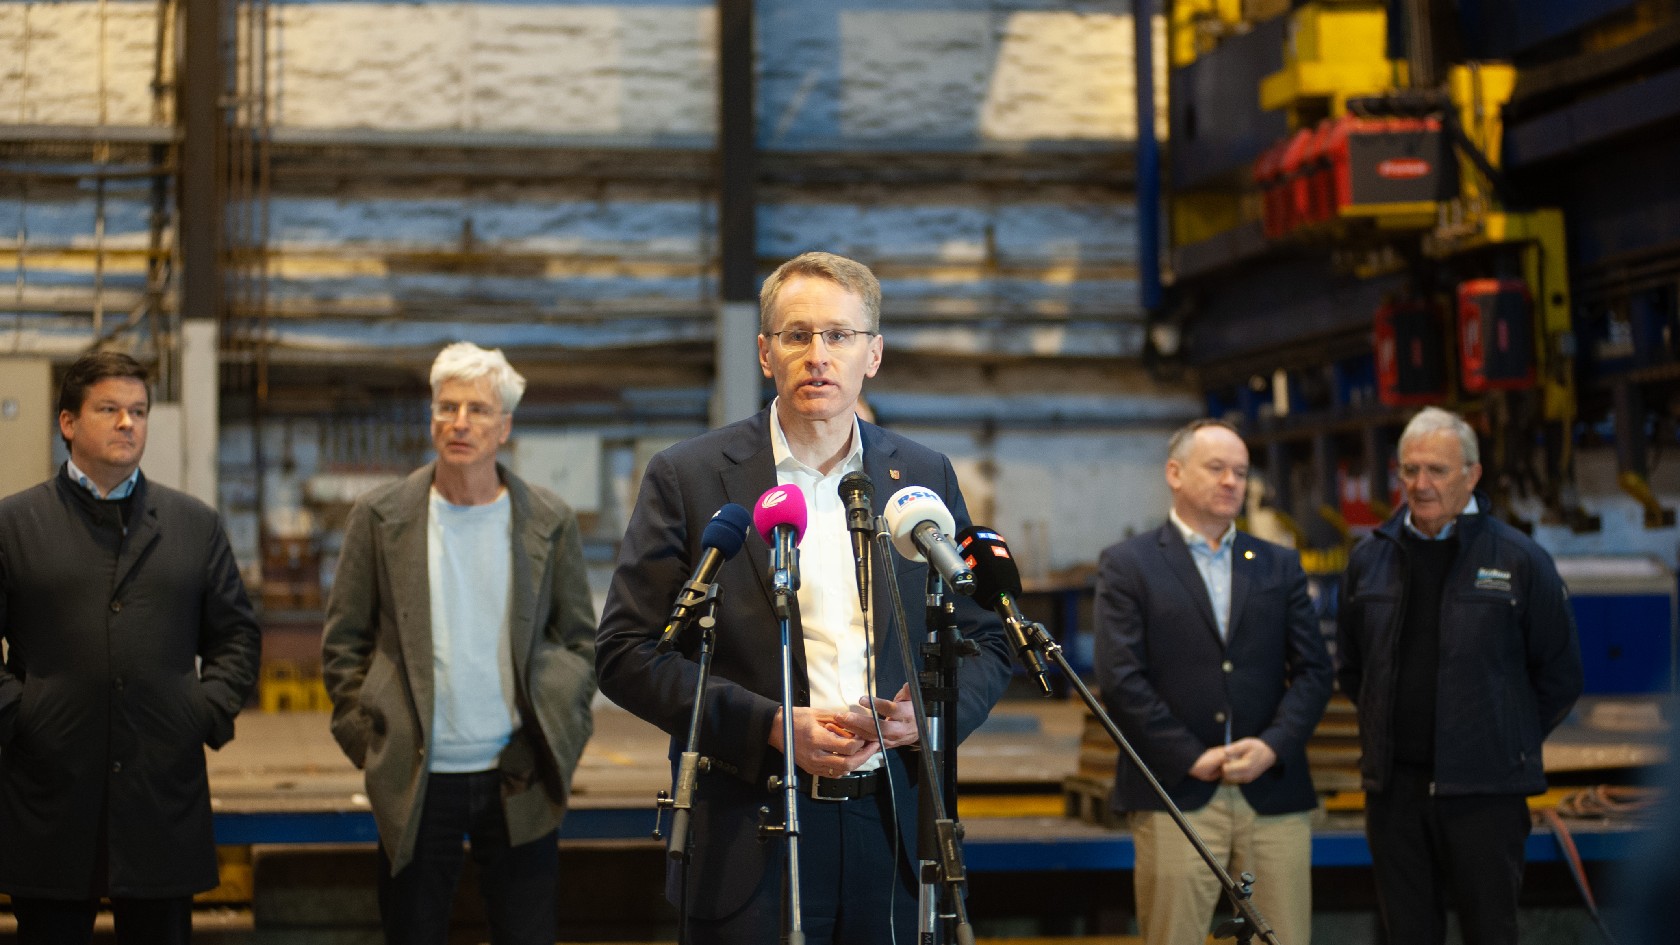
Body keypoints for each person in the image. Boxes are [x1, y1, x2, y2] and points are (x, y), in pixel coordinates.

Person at [596, 251, 1013, 945]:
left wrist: (931, 718)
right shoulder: (689, 477)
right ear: (765, 353)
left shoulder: (925, 475)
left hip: (893, 826)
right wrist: (769, 724)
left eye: (839, 336)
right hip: (748, 831)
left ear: (872, 354)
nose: (817, 354)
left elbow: (990, 637)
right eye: (796, 335)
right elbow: (624, 653)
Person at [322, 342, 598, 945]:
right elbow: (344, 642)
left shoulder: (547, 519)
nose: (459, 423)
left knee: (526, 933)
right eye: (446, 408)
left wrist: (554, 734)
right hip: (417, 778)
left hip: (516, 770)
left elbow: (579, 642)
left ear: (504, 427)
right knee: (412, 932)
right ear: (431, 418)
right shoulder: (380, 517)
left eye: (476, 410)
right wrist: (372, 743)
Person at [0, 350, 261, 945]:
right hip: (50, 791)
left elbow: (237, 636)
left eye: (138, 411)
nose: (128, 423)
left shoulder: (193, 525)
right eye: (110, 409)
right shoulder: (14, 525)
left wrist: (202, 710)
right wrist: (20, 714)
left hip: (160, 791)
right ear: (68, 423)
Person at [1337, 406, 1583, 945]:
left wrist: (1501, 738)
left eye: (1437, 470)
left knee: (1490, 933)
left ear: (1471, 474)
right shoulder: (1367, 560)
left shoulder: (1521, 560)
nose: (1420, 485)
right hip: (1394, 797)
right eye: (1409, 470)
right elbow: (1355, 671)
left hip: (1486, 795)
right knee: (1406, 934)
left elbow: (1561, 674)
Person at [1094, 418, 1333, 945]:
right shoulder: (1128, 566)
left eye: (1242, 473)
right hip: (1176, 790)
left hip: (1271, 791)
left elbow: (1315, 672)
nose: (1232, 482)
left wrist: (1273, 746)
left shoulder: (1278, 565)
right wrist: (1189, 755)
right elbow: (1120, 677)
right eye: (1217, 468)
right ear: (1175, 474)